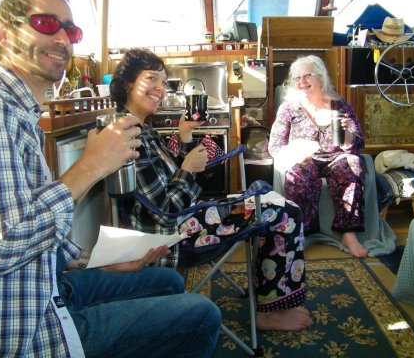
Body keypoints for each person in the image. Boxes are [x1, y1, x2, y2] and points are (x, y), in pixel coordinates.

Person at [0, 0, 221, 358]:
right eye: (45, 23)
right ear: (3, 33)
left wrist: (95, 259)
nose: (62, 38)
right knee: (201, 313)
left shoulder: (19, 114)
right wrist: (91, 165)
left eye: (71, 31)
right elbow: (2, 245)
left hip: (48, 285)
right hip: (21, 330)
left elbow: (33, 229)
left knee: (168, 280)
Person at [110, 48, 313, 331]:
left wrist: (185, 135)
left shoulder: (143, 129)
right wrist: (188, 170)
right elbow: (166, 213)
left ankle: (272, 297)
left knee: (269, 199)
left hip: (186, 222)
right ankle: (269, 312)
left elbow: (170, 184)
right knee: (285, 212)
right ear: (128, 83)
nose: (160, 88)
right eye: (151, 79)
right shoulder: (127, 136)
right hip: (173, 239)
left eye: (163, 81)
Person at [268, 55, 368, 258]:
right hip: (304, 158)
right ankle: (301, 233)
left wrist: (348, 136)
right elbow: (275, 146)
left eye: (307, 76)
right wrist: (293, 155)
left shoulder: (340, 107)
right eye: (296, 78)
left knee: (351, 165)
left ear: (321, 77)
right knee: (298, 175)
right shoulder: (289, 108)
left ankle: (348, 234)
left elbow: (358, 145)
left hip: (336, 157)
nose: (301, 82)